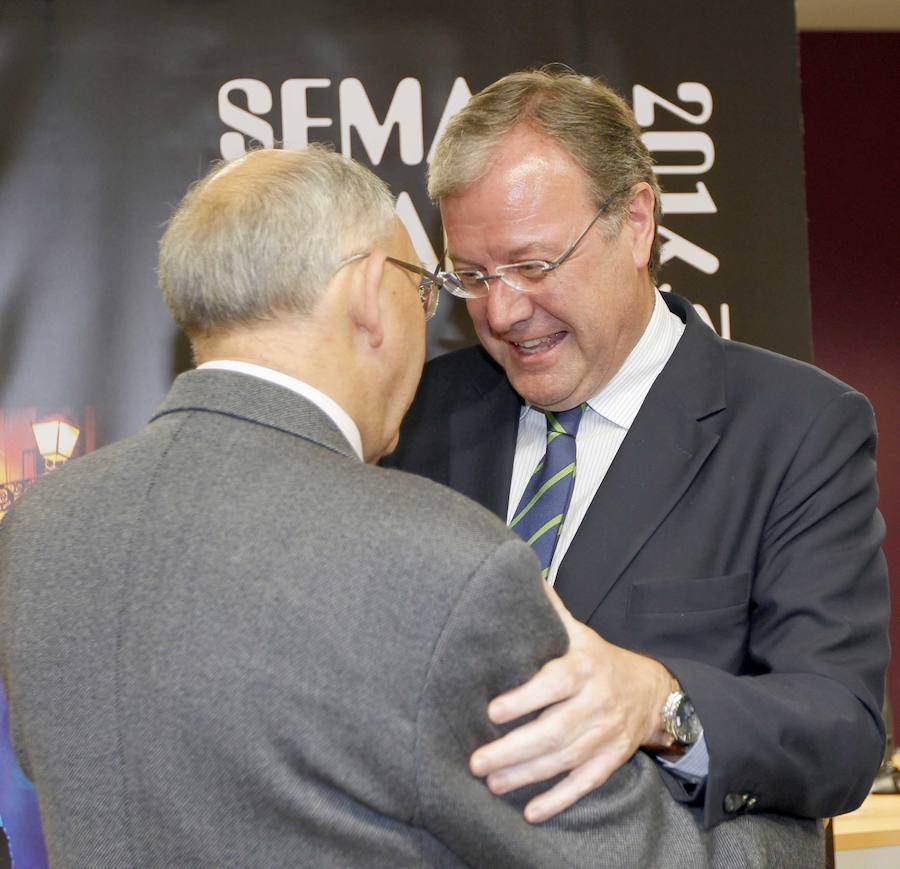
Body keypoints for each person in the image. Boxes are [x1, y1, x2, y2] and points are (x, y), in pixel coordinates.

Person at [0, 147, 824, 867]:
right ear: (369, 294)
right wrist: (791, 834)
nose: (472, 312)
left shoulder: (42, 530)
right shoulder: (433, 558)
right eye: (431, 285)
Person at [386, 68, 890, 831]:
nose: (502, 310)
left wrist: (661, 702)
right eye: (473, 275)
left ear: (637, 222)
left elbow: (840, 728)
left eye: (534, 264)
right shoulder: (415, 415)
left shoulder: (796, 427)